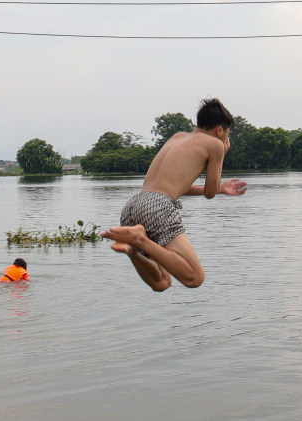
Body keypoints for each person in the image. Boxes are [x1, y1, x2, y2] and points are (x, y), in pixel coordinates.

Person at [101, 98, 248, 291]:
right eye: (226, 136)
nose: (225, 141)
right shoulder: (216, 144)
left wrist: (221, 188)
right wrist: (222, 155)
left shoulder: (177, 137)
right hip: (158, 207)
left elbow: (180, 187)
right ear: (220, 130)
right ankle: (140, 239)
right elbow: (210, 193)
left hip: (134, 205)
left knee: (162, 282)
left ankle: (132, 251)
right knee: (194, 278)